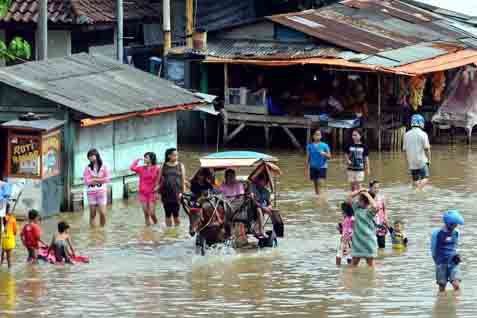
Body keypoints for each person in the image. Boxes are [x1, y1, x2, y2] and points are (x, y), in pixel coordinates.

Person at [431, 210, 464, 292]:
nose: (456, 226)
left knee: (456, 284)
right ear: (448, 223)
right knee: (442, 285)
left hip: (453, 261)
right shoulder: (437, 233)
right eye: (454, 224)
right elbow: (433, 248)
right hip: (441, 262)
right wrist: (437, 261)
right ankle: (442, 301)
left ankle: (457, 302)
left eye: (457, 224)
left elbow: (455, 246)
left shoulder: (456, 233)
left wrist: (457, 255)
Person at [348, 188, 378, 267]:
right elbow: (349, 197)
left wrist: (367, 195)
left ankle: (372, 279)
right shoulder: (356, 209)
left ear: (366, 202)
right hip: (357, 241)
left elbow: (375, 206)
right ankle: (353, 278)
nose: (357, 201)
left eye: (360, 200)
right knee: (354, 263)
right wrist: (359, 191)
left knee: (370, 263)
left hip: (368, 241)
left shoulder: (369, 212)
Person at [130, 152, 161, 226]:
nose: (144, 159)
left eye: (146, 157)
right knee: (146, 214)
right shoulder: (141, 168)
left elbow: (162, 181)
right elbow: (132, 168)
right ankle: (148, 230)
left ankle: (157, 225)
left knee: (152, 213)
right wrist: (136, 160)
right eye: (144, 157)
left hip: (152, 193)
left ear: (151, 159)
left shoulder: (157, 169)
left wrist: (158, 187)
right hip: (143, 193)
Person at [403, 114, 431, 190]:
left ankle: (417, 192)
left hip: (411, 162)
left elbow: (404, 150)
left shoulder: (406, 134)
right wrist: (429, 160)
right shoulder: (423, 134)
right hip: (421, 161)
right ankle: (418, 190)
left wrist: (407, 161)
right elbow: (427, 149)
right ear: (421, 123)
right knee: (425, 178)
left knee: (415, 180)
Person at [83, 149, 111, 227]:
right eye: (89, 156)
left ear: (96, 155)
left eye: (92, 156)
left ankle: (102, 229)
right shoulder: (87, 167)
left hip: (101, 191)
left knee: (102, 212)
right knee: (92, 213)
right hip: (91, 192)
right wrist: (99, 179)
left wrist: (94, 179)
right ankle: (93, 231)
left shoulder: (104, 166)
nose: (90, 158)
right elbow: (86, 181)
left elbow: (107, 179)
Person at [160, 148, 186, 227]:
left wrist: (183, 193)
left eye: (177, 155)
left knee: (176, 214)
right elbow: (159, 180)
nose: (176, 157)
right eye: (174, 155)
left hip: (177, 193)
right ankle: (169, 232)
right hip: (166, 193)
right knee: (167, 214)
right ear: (169, 156)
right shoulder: (163, 166)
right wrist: (157, 192)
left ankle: (177, 231)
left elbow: (183, 180)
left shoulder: (180, 165)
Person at [306, 130, 331, 195]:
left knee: (320, 183)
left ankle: (321, 197)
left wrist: (324, 153)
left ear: (321, 136)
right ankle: (318, 196)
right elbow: (308, 158)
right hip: (313, 167)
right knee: (315, 185)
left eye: (319, 135)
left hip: (322, 167)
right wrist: (306, 169)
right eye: (316, 135)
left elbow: (329, 157)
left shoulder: (325, 145)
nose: (317, 136)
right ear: (313, 136)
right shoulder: (309, 146)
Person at [250, 174, 273, 238]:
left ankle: (257, 228)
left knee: (269, 211)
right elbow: (253, 200)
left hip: (263, 208)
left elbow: (270, 203)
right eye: (261, 181)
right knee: (259, 210)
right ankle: (261, 230)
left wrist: (269, 207)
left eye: (264, 181)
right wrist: (263, 207)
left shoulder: (266, 192)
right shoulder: (252, 187)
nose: (263, 183)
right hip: (253, 207)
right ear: (257, 181)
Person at [369, 180, 388, 249]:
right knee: (371, 246)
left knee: (382, 246)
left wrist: (385, 219)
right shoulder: (367, 198)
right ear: (370, 188)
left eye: (378, 187)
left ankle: (381, 258)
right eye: (375, 188)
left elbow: (384, 209)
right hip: (370, 225)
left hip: (381, 224)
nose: (377, 189)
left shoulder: (382, 197)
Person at [336, 202, 354, 266]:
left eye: (342, 209)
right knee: (348, 256)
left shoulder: (352, 218)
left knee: (339, 255)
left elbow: (355, 229)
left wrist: (349, 236)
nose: (341, 211)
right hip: (344, 239)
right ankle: (351, 269)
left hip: (348, 239)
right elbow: (344, 229)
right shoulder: (345, 218)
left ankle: (338, 268)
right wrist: (340, 229)